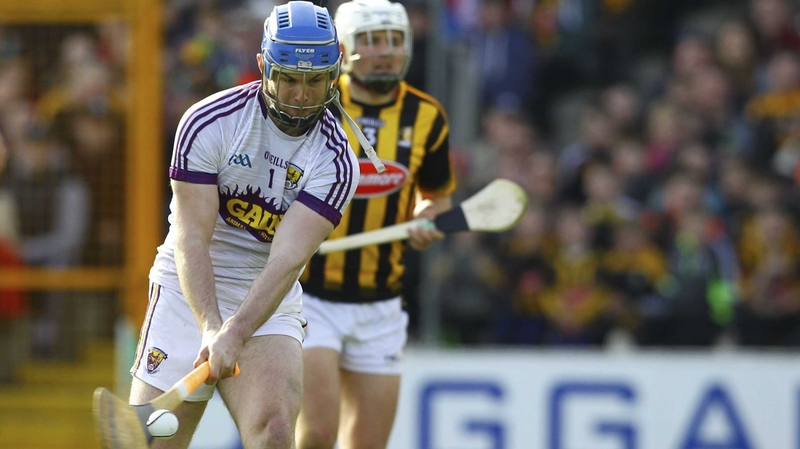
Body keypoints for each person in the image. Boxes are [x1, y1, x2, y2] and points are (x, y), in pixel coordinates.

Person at [128, 2, 368, 448]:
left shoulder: (336, 162)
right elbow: (191, 238)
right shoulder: (208, 123)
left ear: (334, 76)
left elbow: (286, 260)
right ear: (263, 66)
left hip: (267, 295)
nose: (301, 95)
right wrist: (211, 327)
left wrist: (236, 332)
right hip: (187, 287)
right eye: (289, 79)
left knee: (274, 433)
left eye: (315, 81)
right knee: (156, 442)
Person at [296, 1, 456, 448]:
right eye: (371, 40)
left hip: (382, 301)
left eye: (393, 40)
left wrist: (428, 217)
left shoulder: (427, 115)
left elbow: (436, 195)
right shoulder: (317, 104)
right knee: (318, 434)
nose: (385, 51)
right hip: (310, 294)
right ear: (344, 49)